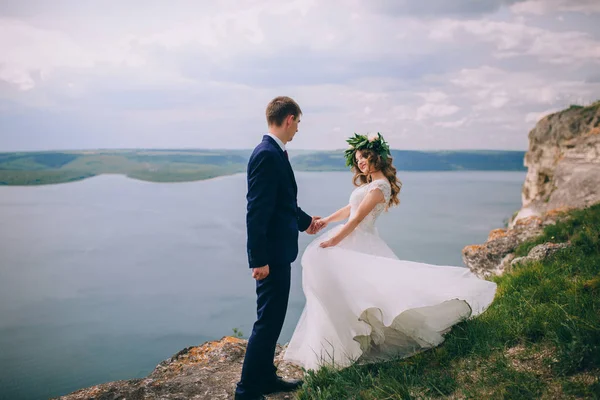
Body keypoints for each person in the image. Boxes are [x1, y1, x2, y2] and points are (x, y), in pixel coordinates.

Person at [283, 132, 497, 371]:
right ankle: (338, 341)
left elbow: (356, 220)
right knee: (340, 284)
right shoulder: (371, 185)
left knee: (348, 283)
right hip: (353, 239)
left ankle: (353, 343)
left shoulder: (380, 186)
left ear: (377, 156)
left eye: (364, 156)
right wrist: (326, 222)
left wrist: (335, 240)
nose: (360, 162)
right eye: (357, 159)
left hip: (359, 242)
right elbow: (350, 209)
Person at [235, 96, 323, 400]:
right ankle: (246, 391)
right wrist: (258, 259)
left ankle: (266, 379)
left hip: (278, 251)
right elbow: (256, 211)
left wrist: (307, 222)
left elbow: (283, 203)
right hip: (270, 256)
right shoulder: (267, 154)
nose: (298, 128)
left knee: (273, 319)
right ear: (289, 118)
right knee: (267, 321)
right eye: (297, 122)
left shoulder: (274, 152)